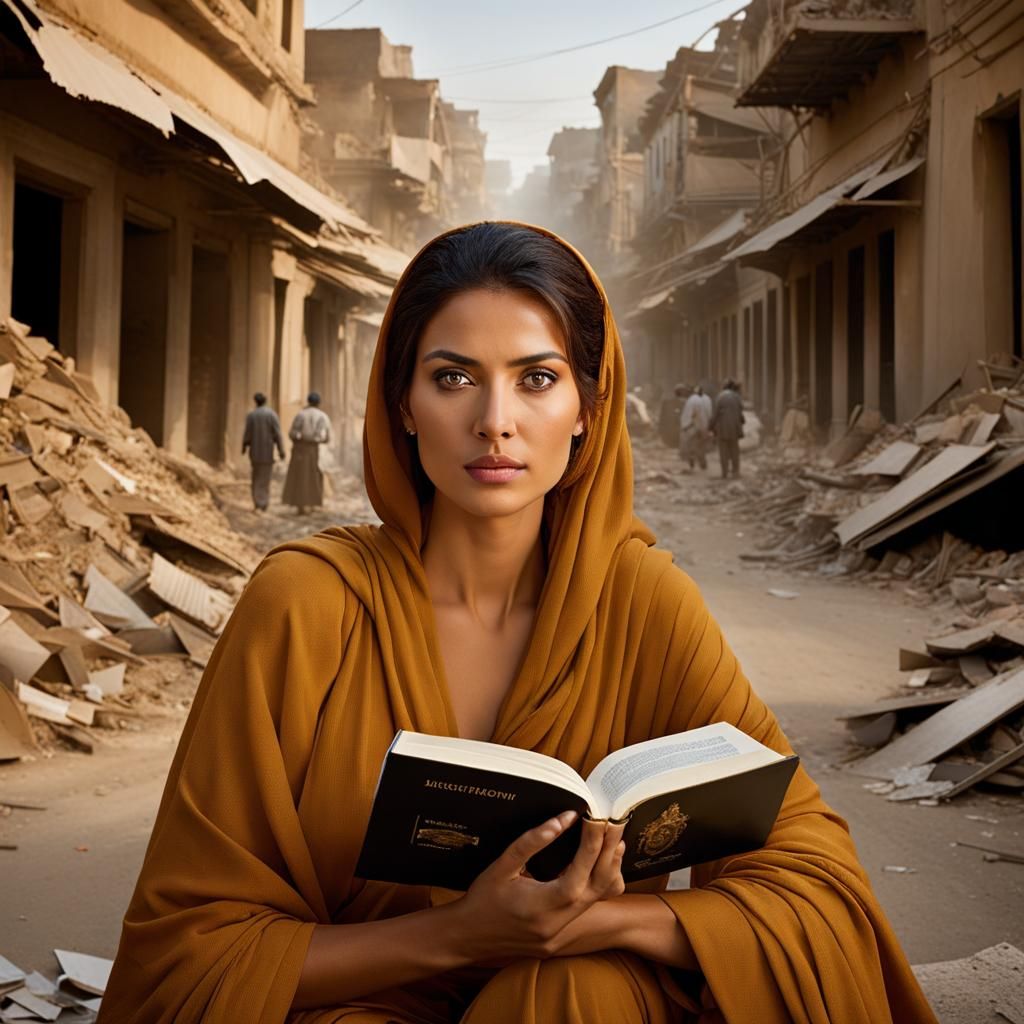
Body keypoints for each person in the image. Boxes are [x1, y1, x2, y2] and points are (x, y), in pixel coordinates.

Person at [99, 223, 936, 1024]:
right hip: (356, 1009)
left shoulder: (643, 603)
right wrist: (458, 937)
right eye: (453, 377)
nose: (493, 419)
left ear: (586, 410)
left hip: (577, 1006)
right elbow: (187, 957)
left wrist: (597, 925)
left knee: (574, 998)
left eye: (537, 378)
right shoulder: (305, 606)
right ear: (402, 403)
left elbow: (812, 876)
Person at [282, 391, 332, 514]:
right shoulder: (322, 416)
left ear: (308, 401)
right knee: (314, 476)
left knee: (299, 476)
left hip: (300, 449)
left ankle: (300, 505)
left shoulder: (300, 415)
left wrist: (300, 438)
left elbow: (292, 433)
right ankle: (313, 504)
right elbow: (326, 438)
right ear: (318, 403)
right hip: (314, 450)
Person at [241, 392, 285, 512]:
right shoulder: (272, 415)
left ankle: (257, 502)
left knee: (256, 478)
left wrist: (244, 446)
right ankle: (263, 502)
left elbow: (247, 433)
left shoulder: (252, 415)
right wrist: (281, 450)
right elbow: (277, 434)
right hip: (267, 453)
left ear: (256, 402)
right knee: (265, 479)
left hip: (255, 453)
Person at [711, 379, 744, 479]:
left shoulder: (720, 396)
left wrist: (711, 426)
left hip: (723, 428)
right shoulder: (737, 397)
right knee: (735, 450)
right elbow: (740, 411)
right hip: (734, 428)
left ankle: (724, 473)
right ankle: (735, 472)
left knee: (723, 452)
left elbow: (715, 414)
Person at [678, 385, 710, 471]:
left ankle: (694, 463)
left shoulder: (693, 400)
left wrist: (696, 426)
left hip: (693, 426)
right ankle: (702, 463)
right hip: (699, 425)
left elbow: (695, 414)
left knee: (692, 446)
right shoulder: (700, 399)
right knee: (699, 446)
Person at [657, 384, 687, 449]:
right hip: (676, 436)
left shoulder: (666, 402)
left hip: (666, 437)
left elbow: (661, 418)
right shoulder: (685, 403)